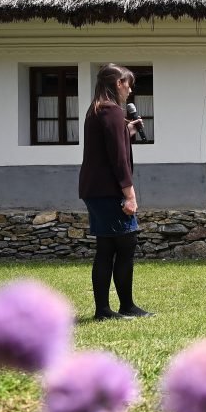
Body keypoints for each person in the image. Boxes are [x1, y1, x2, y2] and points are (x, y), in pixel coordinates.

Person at [78, 63, 152, 321]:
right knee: (124, 244)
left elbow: (110, 145)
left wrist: (127, 130)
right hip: (108, 191)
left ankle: (111, 308)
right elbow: (117, 159)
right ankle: (116, 308)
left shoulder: (97, 110)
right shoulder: (110, 111)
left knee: (108, 247)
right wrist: (129, 194)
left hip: (95, 189)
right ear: (117, 83)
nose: (130, 89)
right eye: (127, 83)